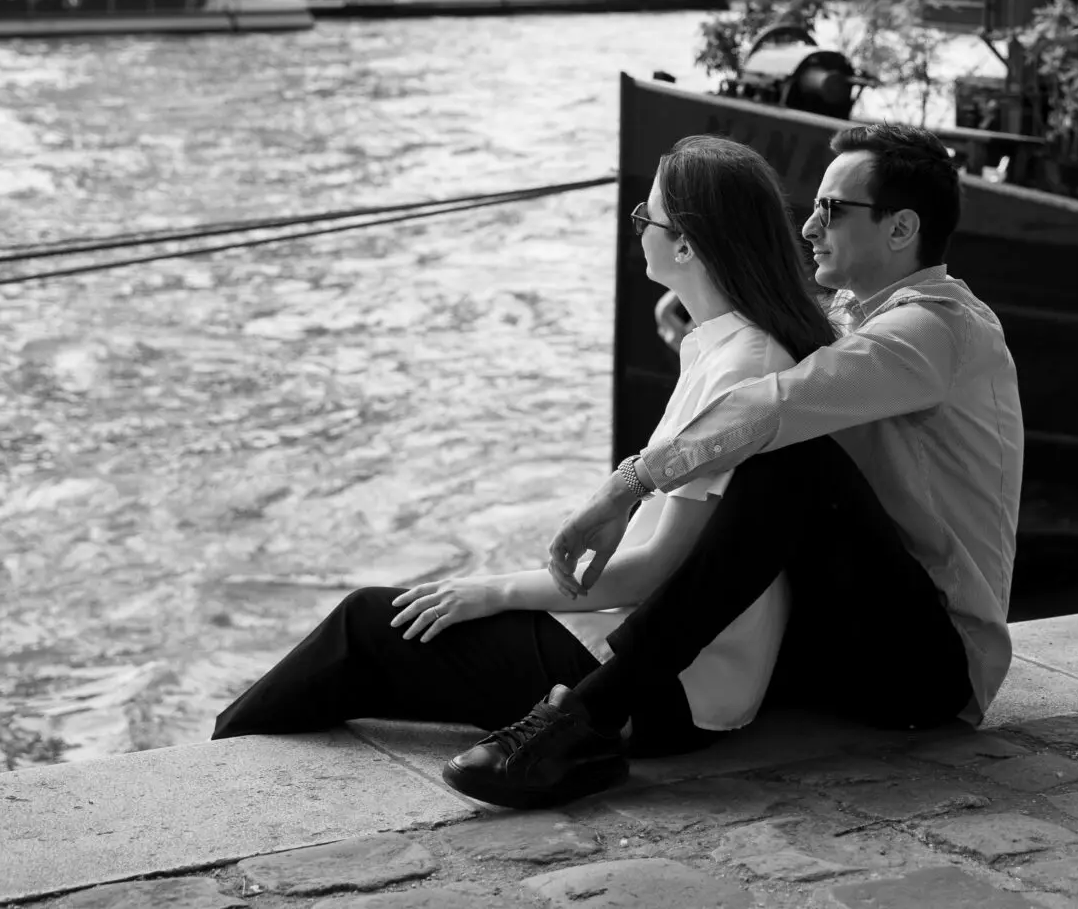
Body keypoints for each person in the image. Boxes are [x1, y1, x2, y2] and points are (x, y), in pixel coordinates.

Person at [211, 135, 836, 784]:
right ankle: (227, 754)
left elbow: (652, 571)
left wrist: (491, 591)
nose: (636, 229)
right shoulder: (728, 351)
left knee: (369, 625)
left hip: (660, 686)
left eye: (642, 218)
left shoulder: (741, 371)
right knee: (390, 636)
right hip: (659, 662)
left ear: (684, 245)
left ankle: (215, 766)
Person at [443, 120, 1023, 810]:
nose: (808, 226)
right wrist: (700, 313)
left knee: (789, 463)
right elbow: (790, 332)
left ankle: (590, 716)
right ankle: (622, 699)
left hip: (929, 669)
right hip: (841, 634)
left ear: (900, 230)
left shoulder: (931, 330)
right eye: (812, 206)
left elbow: (773, 402)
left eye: (831, 211)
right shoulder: (856, 316)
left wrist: (624, 486)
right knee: (772, 457)